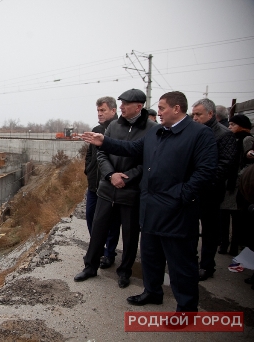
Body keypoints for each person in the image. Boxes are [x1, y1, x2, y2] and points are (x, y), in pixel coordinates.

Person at [82, 91, 217, 312]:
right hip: (150, 207)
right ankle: (152, 292)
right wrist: (104, 141)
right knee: (150, 255)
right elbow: (132, 149)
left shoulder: (199, 134)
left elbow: (206, 172)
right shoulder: (158, 133)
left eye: (162, 108)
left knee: (180, 262)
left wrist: (181, 196)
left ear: (176, 108)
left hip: (177, 210)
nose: (158, 112)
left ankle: (186, 308)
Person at [75, 89, 157, 288]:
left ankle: (125, 271)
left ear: (138, 106)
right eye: (120, 103)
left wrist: (126, 178)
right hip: (107, 188)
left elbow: (148, 161)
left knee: (129, 235)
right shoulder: (113, 126)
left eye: (125, 104)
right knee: (98, 230)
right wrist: (111, 175)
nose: (121, 107)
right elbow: (101, 154)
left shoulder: (151, 129)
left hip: (130, 191)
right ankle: (90, 266)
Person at [191, 99, 236, 281]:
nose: (194, 118)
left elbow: (225, 164)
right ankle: (191, 262)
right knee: (191, 229)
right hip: (193, 190)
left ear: (211, 114)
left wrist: (204, 182)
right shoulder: (194, 132)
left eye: (198, 114)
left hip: (211, 191)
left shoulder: (224, 135)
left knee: (210, 231)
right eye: (193, 114)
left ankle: (207, 265)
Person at [84, 96, 120, 268]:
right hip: (93, 183)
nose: (99, 113)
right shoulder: (96, 129)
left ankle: (109, 253)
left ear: (113, 111)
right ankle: (98, 247)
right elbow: (90, 154)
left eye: (103, 110)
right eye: (98, 110)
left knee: (111, 221)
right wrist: (88, 171)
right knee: (91, 216)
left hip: (110, 185)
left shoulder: (120, 130)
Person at [219, 114, 254, 255]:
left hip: (238, 184)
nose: (229, 127)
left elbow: (248, 162)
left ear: (242, 126)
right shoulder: (231, 138)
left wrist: (240, 177)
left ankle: (234, 245)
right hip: (228, 182)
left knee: (237, 216)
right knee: (224, 215)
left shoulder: (247, 139)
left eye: (233, 125)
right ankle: (224, 243)